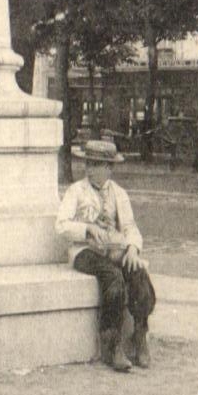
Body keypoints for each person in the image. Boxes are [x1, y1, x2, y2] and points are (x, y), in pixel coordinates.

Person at [56, 138, 156, 372]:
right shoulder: (76, 191)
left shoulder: (118, 194)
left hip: (114, 249)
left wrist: (132, 248)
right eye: (89, 163)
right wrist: (87, 229)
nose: (91, 169)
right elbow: (61, 225)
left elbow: (130, 226)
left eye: (98, 164)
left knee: (138, 271)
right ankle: (111, 345)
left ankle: (140, 334)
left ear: (109, 168)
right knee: (113, 278)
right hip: (85, 251)